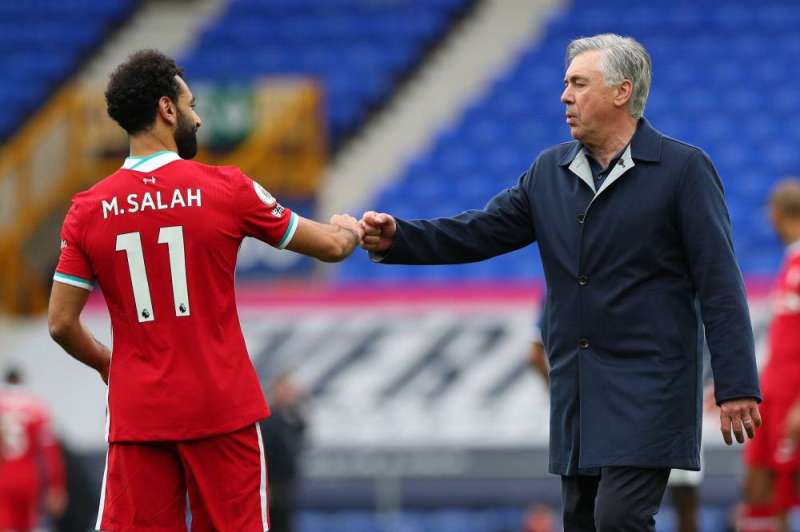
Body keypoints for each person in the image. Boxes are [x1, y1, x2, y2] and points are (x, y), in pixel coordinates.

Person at [359, 34, 761, 530]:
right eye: (566, 84)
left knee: (618, 520)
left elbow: (719, 281)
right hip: (579, 391)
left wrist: (736, 385)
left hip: (651, 389)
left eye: (578, 84)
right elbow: (481, 231)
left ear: (621, 91)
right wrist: (400, 238)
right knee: (583, 522)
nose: (564, 96)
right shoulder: (548, 171)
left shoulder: (683, 169)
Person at [47, 50, 364, 531]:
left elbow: (60, 323)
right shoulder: (226, 188)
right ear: (166, 109)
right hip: (222, 410)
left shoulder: (87, 210)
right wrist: (350, 230)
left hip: (139, 415)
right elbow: (332, 247)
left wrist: (108, 363)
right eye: (190, 105)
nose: (196, 118)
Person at [740, 179, 800, 532]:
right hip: (773, 393)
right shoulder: (790, 263)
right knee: (760, 489)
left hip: (793, 396)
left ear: (777, 215)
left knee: (788, 488)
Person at [0, 367, 67, 532]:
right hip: (28, 477)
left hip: (3, 475)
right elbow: (50, 451)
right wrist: (56, 485)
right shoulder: (37, 407)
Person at [259, 375, 307, 532]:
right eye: (285, 389)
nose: (290, 393)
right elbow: (263, 453)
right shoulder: (267, 419)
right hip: (271, 487)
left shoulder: (295, 419)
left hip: (286, 486)